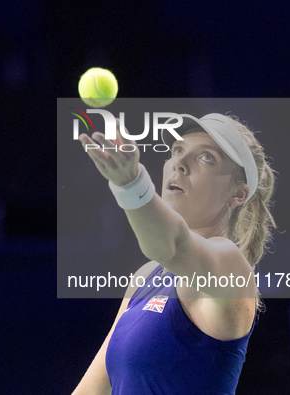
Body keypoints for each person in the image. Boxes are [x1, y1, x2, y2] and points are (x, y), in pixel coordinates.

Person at [72, 113, 276, 394]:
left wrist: (132, 184)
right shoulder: (144, 278)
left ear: (237, 195)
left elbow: (172, 246)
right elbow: (91, 392)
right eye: (178, 151)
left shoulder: (231, 267)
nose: (179, 163)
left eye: (207, 158)